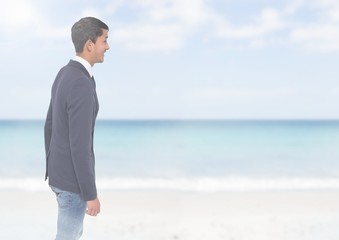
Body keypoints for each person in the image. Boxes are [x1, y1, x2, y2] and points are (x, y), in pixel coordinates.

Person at [44, 17, 110, 239]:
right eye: (105, 40)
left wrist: (53, 167)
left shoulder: (65, 73)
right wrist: (90, 194)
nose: (107, 46)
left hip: (60, 178)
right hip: (72, 186)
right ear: (90, 44)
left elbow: (49, 125)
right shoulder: (81, 82)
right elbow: (79, 145)